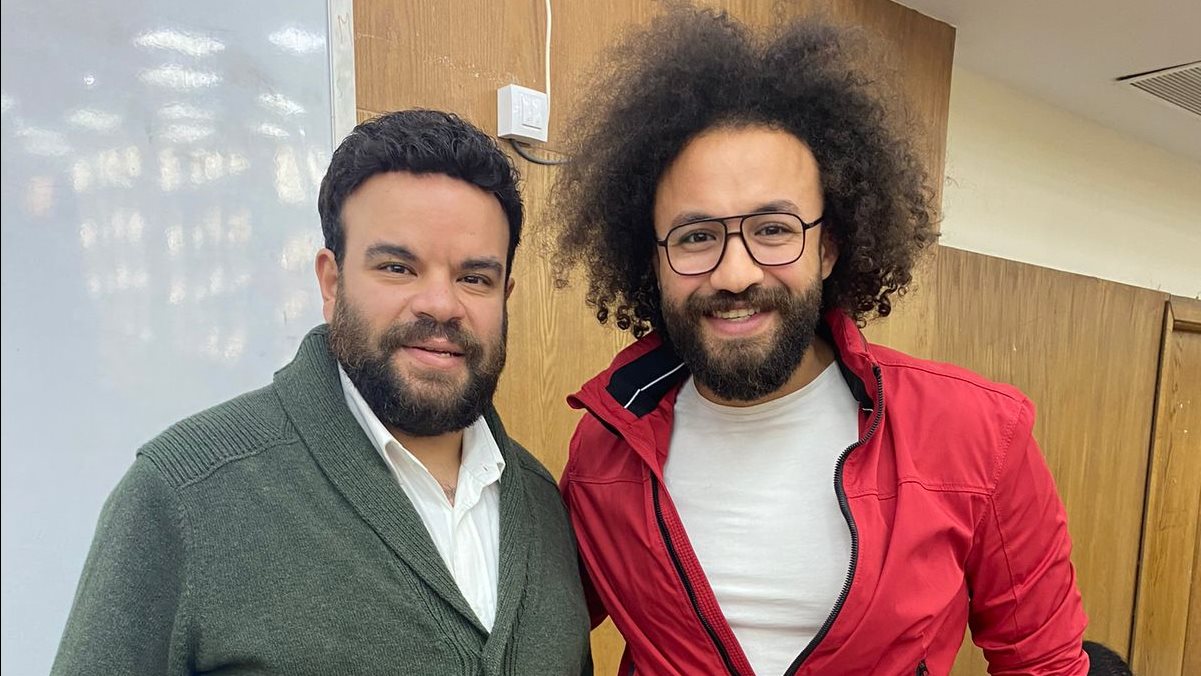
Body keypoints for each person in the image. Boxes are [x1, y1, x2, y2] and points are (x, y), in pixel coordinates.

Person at [553, 8, 1088, 675]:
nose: (736, 273)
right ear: (653, 260)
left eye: (773, 230)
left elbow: (1044, 662)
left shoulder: (978, 432)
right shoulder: (605, 444)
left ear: (828, 248)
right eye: (696, 237)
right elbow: (533, 629)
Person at [53, 110, 591, 675]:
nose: (441, 304)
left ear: (504, 296)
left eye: (474, 278)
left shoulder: (543, 506)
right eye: (398, 268)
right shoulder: (184, 495)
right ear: (332, 283)